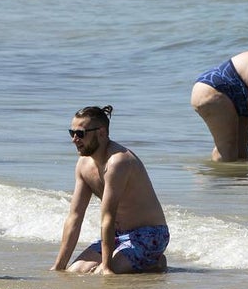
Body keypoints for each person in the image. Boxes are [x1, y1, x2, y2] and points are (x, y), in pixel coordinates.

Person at [51, 105, 169, 274]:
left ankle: (155, 263)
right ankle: (141, 262)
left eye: (80, 134)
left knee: (101, 274)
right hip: (118, 236)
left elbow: (108, 216)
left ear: (101, 132)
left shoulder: (118, 162)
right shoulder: (83, 165)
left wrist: (106, 266)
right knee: (74, 271)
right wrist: (59, 266)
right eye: (72, 133)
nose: (74, 139)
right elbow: (75, 217)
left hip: (150, 234)